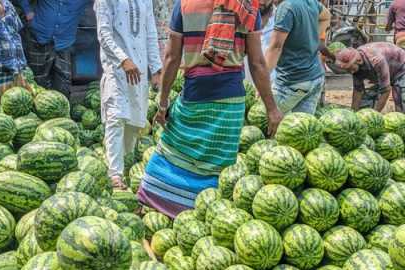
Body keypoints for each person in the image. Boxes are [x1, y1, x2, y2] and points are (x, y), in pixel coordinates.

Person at [138, 0, 282, 218]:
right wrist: (272, 109)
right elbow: (257, 63)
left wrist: (164, 101)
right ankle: (207, 213)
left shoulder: (185, 5)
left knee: (173, 149)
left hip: (196, 93)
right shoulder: (248, 8)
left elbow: (171, 57)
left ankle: (165, 202)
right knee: (218, 163)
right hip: (230, 99)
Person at [95, 0, 162, 189]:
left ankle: (125, 171)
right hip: (117, 70)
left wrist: (156, 69)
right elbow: (104, 33)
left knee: (134, 123)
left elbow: (150, 33)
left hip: (139, 71)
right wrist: (122, 59)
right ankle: (114, 174)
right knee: (116, 118)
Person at [265, 0, 330, 115]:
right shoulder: (309, 2)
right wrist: (314, 38)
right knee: (300, 129)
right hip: (315, 78)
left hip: (293, 82)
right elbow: (327, 16)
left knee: (266, 120)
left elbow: (275, 47)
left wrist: (262, 83)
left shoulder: (286, 7)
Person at [17, 0, 90, 97]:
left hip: (64, 43)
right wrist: (27, 11)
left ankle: (62, 110)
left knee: (63, 84)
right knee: (36, 81)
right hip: (38, 36)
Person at [334, 43, 405, 112]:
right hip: (385, 69)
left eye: (350, 68)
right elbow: (358, 90)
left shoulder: (376, 60)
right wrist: (353, 113)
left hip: (401, 66)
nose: (351, 72)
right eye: (347, 70)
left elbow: (385, 90)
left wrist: (375, 114)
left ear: (358, 61)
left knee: (401, 102)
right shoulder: (356, 68)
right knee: (366, 102)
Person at [245, 0, 276, 82]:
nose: (261, 1)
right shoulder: (242, 16)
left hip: (275, 84)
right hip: (247, 84)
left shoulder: (281, 18)